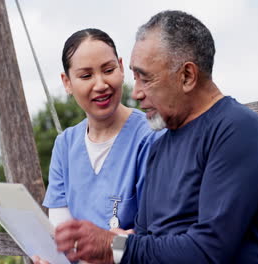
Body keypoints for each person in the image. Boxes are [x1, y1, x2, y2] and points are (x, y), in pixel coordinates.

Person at [49, 10, 258, 264]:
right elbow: (145, 241)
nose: (135, 93)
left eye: (145, 78)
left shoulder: (237, 129)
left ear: (187, 76)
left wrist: (114, 246)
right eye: (135, 77)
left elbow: (209, 250)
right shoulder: (162, 145)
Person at [41, 28, 165, 234]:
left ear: (122, 68)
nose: (100, 85)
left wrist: (108, 246)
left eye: (108, 70)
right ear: (67, 82)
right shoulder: (65, 145)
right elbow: (61, 232)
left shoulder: (152, 137)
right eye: (86, 75)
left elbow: (157, 232)